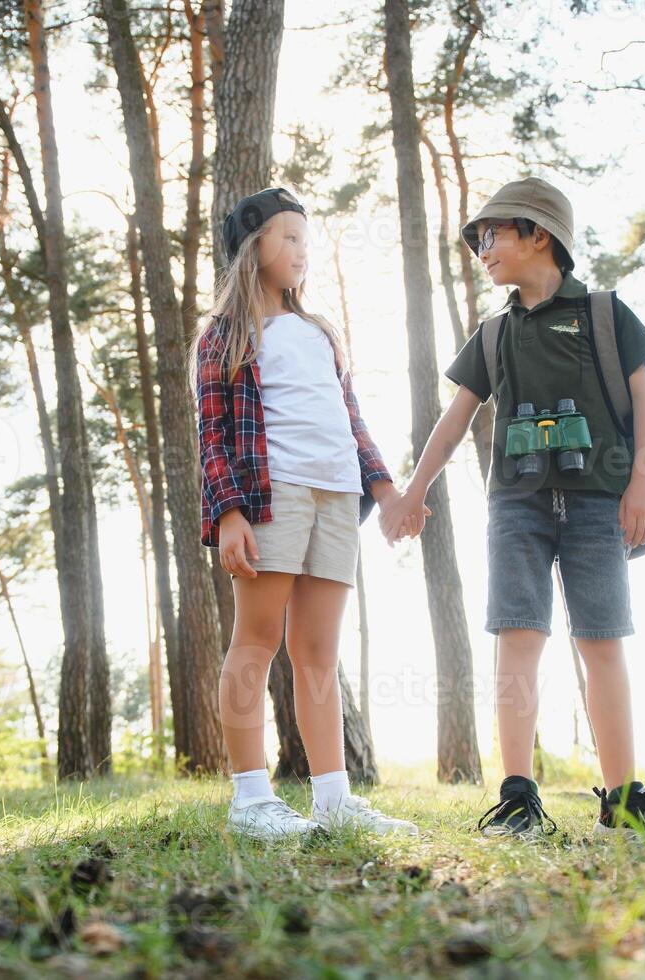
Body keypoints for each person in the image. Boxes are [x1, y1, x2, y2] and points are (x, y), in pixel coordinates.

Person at [378, 177, 645, 840]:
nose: (481, 248)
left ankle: (620, 799)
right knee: (518, 641)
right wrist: (414, 490)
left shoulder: (605, 313)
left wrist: (642, 483)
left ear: (538, 234)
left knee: (601, 643)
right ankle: (518, 797)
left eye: (493, 233)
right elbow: (453, 421)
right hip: (516, 508)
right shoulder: (495, 333)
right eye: (476, 239)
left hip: (597, 504)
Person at [193, 187, 422, 843]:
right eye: (288, 237)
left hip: (334, 497)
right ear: (253, 247)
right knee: (256, 640)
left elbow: (350, 422)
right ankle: (250, 799)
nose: (301, 251)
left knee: (318, 652)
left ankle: (332, 800)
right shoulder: (226, 335)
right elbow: (211, 436)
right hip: (272, 494)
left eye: (305, 241)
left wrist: (384, 491)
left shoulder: (320, 333)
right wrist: (228, 513)